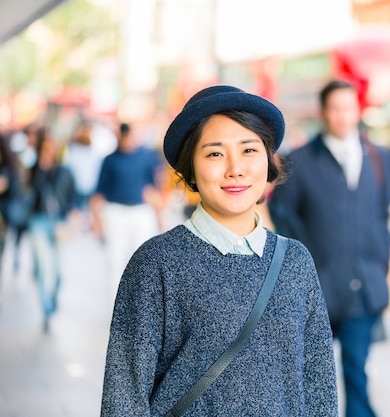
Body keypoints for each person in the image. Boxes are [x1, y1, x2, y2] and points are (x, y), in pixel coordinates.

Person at [100, 85, 338, 416]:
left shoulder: (295, 262)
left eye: (249, 151)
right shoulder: (155, 264)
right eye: (214, 153)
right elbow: (123, 395)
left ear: (268, 162)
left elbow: (319, 385)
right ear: (191, 169)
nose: (235, 168)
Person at [269, 79, 390, 417]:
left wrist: (381, 264)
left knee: (357, 373)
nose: (342, 116)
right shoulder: (299, 162)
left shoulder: (379, 158)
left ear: (358, 111)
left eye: (348, 108)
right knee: (312, 379)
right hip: (316, 289)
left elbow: (384, 216)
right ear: (323, 112)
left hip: (364, 287)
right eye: (335, 109)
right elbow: (282, 219)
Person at [90, 122, 164, 294]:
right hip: (115, 212)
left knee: (143, 260)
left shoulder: (146, 156)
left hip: (140, 211)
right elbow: (99, 192)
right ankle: (116, 308)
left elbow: (155, 187)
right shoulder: (110, 160)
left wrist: (160, 216)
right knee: (115, 260)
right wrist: (96, 221)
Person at [27, 128, 77, 331]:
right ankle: (46, 309)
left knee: (59, 271)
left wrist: (74, 213)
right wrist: (40, 169)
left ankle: (53, 298)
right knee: (42, 266)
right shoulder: (34, 170)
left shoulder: (65, 171)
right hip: (38, 220)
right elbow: (28, 193)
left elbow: (74, 196)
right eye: (45, 147)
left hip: (59, 222)